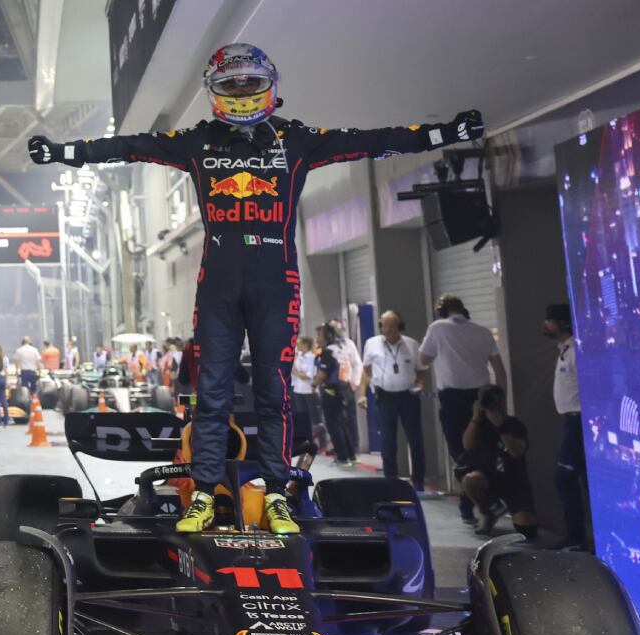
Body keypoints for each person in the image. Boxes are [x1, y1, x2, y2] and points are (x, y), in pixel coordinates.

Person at [29, 42, 480, 533]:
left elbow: (375, 141)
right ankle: (201, 495)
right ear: (214, 90)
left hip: (277, 282)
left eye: (251, 81)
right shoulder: (195, 142)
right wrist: (63, 153)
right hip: (218, 285)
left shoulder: (298, 139)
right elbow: (128, 147)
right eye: (232, 83)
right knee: (211, 393)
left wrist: (444, 133)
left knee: (275, 392)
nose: (242, 90)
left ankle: (277, 496)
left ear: (270, 84)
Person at [420, 294, 508, 526]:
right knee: (482, 450)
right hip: (481, 397)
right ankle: (474, 502)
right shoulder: (483, 331)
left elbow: (424, 358)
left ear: (442, 311)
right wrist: (500, 401)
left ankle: (474, 504)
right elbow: (499, 369)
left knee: (460, 453)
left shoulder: (438, 328)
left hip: (453, 400)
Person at [358, 311, 427, 490]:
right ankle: (391, 480)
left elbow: (421, 370)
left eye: (390, 325)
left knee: (415, 439)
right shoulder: (371, 344)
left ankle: (418, 481)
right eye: (383, 325)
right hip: (385, 396)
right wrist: (363, 393)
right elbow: (366, 371)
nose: (386, 329)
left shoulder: (411, 345)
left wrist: (420, 384)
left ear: (399, 326)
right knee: (388, 440)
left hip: (408, 397)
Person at [460, 385, 538, 539]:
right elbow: (467, 445)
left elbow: (516, 451)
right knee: (470, 480)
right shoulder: (479, 426)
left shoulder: (514, 425)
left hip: (515, 482)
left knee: (527, 530)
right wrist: (475, 418)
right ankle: (488, 512)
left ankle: (517, 512)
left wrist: (500, 426)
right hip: (490, 479)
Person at [545, 302, 588, 550]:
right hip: (571, 421)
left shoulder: (575, 351)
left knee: (565, 477)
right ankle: (577, 536)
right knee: (573, 479)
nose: (546, 325)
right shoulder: (565, 349)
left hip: (578, 422)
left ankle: (576, 537)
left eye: (550, 320)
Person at [313, 325, 353, 466]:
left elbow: (322, 374)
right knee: (341, 423)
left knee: (333, 425)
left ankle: (342, 457)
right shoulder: (340, 349)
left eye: (319, 335)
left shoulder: (327, 352)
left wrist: (314, 384)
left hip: (331, 391)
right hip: (344, 389)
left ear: (328, 337)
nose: (317, 339)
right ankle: (350, 455)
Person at [330, 320, 363, 461]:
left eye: (337, 328)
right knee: (336, 420)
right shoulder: (328, 346)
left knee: (350, 417)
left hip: (347, 385)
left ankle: (354, 446)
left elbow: (357, 363)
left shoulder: (348, 344)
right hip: (332, 387)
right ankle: (340, 446)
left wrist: (355, 382)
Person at [290, 336, 322, 450]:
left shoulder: (312, 357)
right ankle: (306, 441)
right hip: (298, 389)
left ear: (305, 344)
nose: (297, 346)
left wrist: (297, 371)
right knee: (301, 417)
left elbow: (307, 375)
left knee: (314, 417)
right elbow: (294, 373)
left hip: (309, 390)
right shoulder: (298, 357)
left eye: (299, 343)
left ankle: (320, 442)